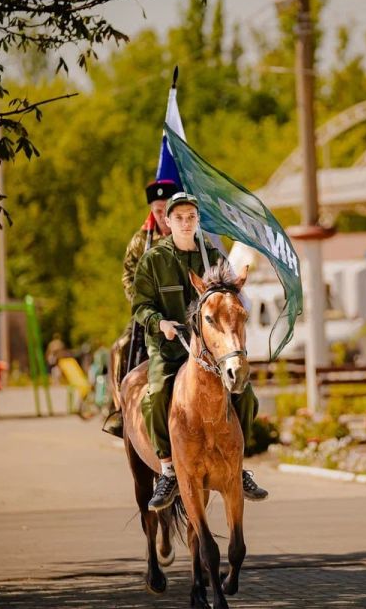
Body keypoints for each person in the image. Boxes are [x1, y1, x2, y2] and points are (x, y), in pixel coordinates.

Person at [132, 192, 268, 510]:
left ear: (197, 220)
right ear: (167, 220)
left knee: (246, 395)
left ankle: (239, 467)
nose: (185, 222)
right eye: (178, 217)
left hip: (208, 351)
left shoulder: (211, 256)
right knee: (154, 396)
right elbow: (140, 306)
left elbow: (228, 296)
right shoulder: (153, 259)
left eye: (191, 217)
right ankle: (167, 469)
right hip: (169, 347)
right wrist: (159, 321)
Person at [103, 178, 178, 437]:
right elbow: (128, 275)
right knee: (121, 348)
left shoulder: (185, 234)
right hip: (148, 312)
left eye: (165, 208)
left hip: (182, 312)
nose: (161, 215)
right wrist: (141, 302)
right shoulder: (141, 240)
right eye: (157, 210)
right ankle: (119, 410)